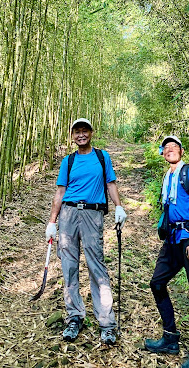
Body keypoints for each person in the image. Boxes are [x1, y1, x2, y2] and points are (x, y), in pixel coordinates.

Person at [45, 118, 127, 345]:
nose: (81, 135)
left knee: (96, 265)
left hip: (93, 214)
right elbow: (60, 193)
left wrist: (119, 207)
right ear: (72, 136)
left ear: (91, 133)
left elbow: (110, 184)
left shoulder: (102, 157)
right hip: (68, 215)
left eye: (85, 131)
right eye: (77, 132)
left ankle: (107, 322)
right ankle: (74, 317)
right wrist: (52, 222)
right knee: (69, 267)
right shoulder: (68, 161)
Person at [145, 135, 189, 368]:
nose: (170, 150)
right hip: (173, 239)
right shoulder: (168, 176)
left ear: (181, 151)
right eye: (166, 148)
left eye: (174, 147)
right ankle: (170, 338)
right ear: (162, 153)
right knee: (157, 283)